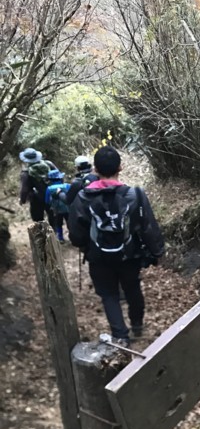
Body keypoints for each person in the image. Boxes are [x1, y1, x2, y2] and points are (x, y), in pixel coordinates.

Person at [68, 146, 165, 346]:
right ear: (120, 167)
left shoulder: (83, 197)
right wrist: (157, 251)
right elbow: (147, 226)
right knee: (132, 288)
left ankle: (121, 336)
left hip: (98, 258)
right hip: (129, 256)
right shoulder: (134, 194)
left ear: (95, 169)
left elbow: (76, 235)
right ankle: (137, 324)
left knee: (109, 295)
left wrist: (86, 245)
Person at [18, 148, 57, 223]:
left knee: (38, 220)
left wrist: (22, 200)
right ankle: (56, 232)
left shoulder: (26, 173)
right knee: (53, 218)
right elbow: (59, 177)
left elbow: (24, 190)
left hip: (36, 199)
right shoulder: (49, 164)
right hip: (52, 195)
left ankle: (41, 233)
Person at [44, 169, 71, 243]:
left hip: (57, 210)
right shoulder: (67, 186)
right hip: (67, 209)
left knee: (58, 223)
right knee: (70, 223)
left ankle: (61, 238)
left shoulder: (49, 189)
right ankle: (72, 236)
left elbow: (47, 201)